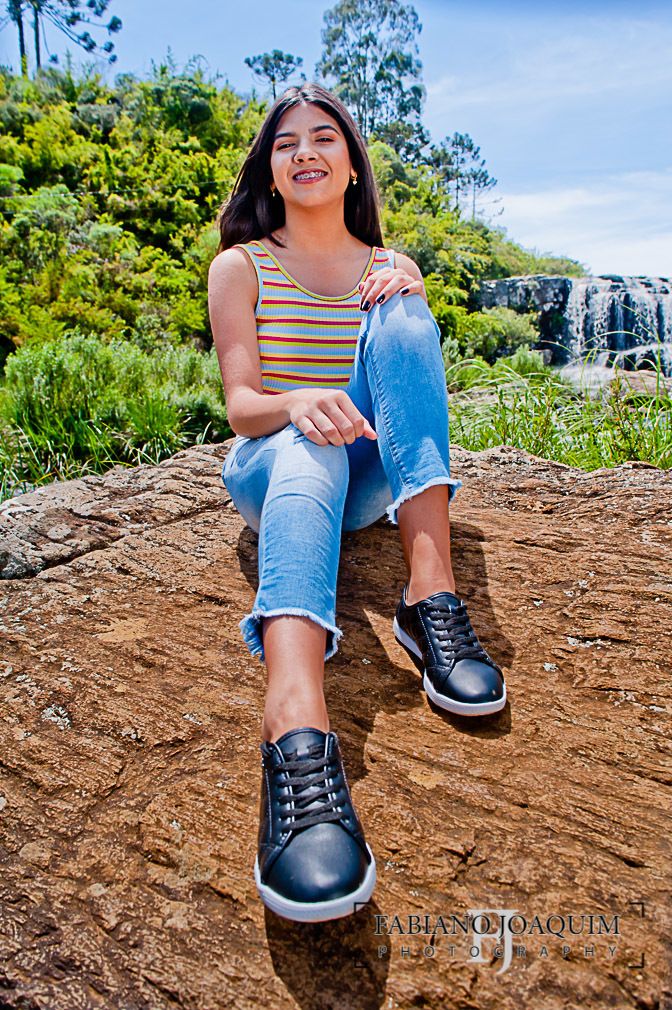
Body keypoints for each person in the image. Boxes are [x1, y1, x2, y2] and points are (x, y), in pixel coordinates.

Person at [207, 83, 506, 924]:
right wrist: (299, 400)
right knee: (310, 444)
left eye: (324, 138)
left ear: (350, 166)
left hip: (368, 478)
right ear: (271, 171)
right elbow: (241, 406)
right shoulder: (241, 266)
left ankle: (429, 598)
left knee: (406, 318)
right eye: (286, 143)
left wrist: (407, 290)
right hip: (277, 463)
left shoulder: (386, 267)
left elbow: (402, 399)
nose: (304, 151)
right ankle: (294, 723)